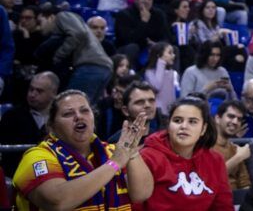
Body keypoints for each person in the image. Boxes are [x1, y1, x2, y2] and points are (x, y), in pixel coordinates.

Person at [12, 90, 153, 211]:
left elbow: (142, 194)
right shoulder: (37, 156)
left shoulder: (113, 151)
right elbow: (56, 201)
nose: (79, 116)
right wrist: (114, 163)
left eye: (85, 110)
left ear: (93, 117)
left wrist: (132, 151)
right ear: (52, 126)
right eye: (68, 114)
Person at [139, 96, 233, 210]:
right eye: (177, 120)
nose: (184, 126)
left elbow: (223, 206)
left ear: (203, 129)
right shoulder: (147, 157)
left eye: (192, 122)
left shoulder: (215, 160)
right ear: (168, 126)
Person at [37, 5, 113, 101]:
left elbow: (78, 33)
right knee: (89, 109)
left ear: (51, 17)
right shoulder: (68, 27)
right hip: (104, 68)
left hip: (90, 67)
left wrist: (59, 55)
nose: (39, 27)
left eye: (40, 22)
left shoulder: (62, 16)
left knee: (72, 103)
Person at [0, 72, 59, 176]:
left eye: (39, 91)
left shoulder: (61, 118)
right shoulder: (12, 116)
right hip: (18, 173)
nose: (32, 94)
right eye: (31, 89)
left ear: (53, 93)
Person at [115, 0, 170, 66]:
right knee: (133, 47)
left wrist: (157, 45)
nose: (146, 1)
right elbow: (127, 40)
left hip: (152, 48)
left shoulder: (159, 14)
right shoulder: (124, 14)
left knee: (172, 49)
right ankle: (130, 75)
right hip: (129, 47)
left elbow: (166, 37)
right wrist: (143, 22)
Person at [212, 100, 251, 189]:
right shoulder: (204, 146)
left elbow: (245, 183)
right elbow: (210, 179)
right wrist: (238, 158)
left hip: (237, 200)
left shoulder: (235, 149)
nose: (235, 122)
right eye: (231, 116)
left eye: (239, 119)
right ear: (218, 119)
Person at [143, 42, 177, 114]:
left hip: (170, 111)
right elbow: (157, 87)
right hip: (157, 112)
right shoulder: (149, 73)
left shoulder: (171, 72)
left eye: (173, 53)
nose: (173, 55)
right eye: (170, 53)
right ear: (159, 55)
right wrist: (161, 63)